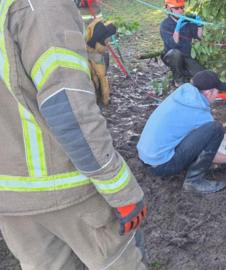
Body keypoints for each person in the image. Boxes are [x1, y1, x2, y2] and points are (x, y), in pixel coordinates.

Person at [0, 1, 147, 269]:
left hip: (11, 200)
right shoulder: (42, 7)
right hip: (65, 185)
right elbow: (68, 109)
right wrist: (122, 191)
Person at [137, 70, 226, 193]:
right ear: (209, 93)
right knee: (215, 129)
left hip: (144, 155)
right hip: (161, 165)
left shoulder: (182, 94)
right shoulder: (201, 114)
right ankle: (193, 181)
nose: (218, 94)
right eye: (217, 91)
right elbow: (211, 154)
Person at [160, 0, 206, 85]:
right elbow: (173, 44)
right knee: (175, 53)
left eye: (182, 7)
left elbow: (199, 37)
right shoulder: (165, 25)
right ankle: (178, 80)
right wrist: (178, 27)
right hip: (171, 56)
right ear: (169, 9)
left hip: (186, 56)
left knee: (202, 76)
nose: (180, 10)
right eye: (177, 8)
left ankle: (185, 74)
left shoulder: (187, 22)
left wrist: (200, 25)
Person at [86, 18, 117, 106]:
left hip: (85, 52)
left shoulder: (94, 25)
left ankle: (96, 98)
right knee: (102, 77)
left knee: (93, 77)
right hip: (95, 54)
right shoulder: (100, 40)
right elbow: (100, 48)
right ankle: (104, 100)